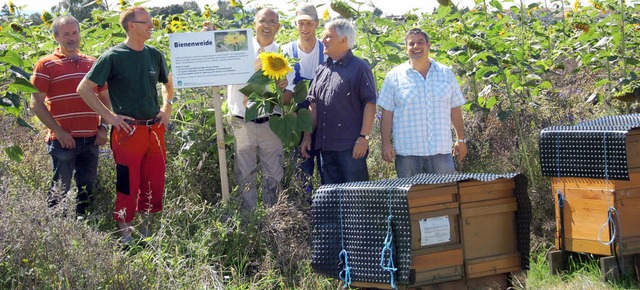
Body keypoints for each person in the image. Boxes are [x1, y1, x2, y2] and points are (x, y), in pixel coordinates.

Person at [77, 6, 173, 244]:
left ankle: (147, 233)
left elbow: (168, 84)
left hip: (155, 130)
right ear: (132, 26)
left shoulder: (155, 54)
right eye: (147, 22)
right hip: (127, 132)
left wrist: (167, 108)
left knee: (154, 183)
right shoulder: (113, 56)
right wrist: (110, 117)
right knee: (127, 184)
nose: (152, 26)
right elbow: (84, 89)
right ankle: (125, 236)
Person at [207, 8, 288, 211]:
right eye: (262, 21)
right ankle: (248, 223)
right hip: (242, 120)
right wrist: (209, 36)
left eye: (272, 22)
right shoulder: (238, 47)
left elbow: (289, 96)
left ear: (278, 27)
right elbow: (214, 55)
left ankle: (274, 221)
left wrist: (283, 87)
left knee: (274, 174)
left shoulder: (284, 54)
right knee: (245, 174)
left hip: (272, 123)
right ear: (254, 24)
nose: (267, 26)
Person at [30, 15, 111, 218]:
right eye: (66, 34)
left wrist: (103, 128)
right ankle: (55, 234)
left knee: (87, 189)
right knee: (59, 192)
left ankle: (84, 229)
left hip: (92, 139)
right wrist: (59, 131)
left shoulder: (92, 63)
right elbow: (36, 104)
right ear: (56, 36)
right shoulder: (45, 64)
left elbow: (105, 99)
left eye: (75, 32)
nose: (72, 37)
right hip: (63, 141)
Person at [378, 28, 467, 178]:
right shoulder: (394, 77)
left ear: (428, 45)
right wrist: (386, 144)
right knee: (412, 199)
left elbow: (454, 109)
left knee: (445, 197)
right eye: (411, 44)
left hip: (441, 152)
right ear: (406, 49)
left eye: (420, 42)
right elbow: (387, 113)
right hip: (408, 155)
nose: (416, 47)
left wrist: (461, 139)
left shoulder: (445, 74)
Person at [300, 19, 377, 185]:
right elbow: (313, 107)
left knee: (357, 197)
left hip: (350, 148)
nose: (323, 40)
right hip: (325, 147)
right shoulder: (322, 69)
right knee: (332, 199)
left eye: (328, 36)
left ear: (344, 40)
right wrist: (307, 136)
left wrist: (364, 137)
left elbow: (370, 104)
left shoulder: (359, 67)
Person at [281, 3, 327, 192]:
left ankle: (328, 209)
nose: (305, 28)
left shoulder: (327, 50)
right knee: (303, 171)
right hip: (298, 118)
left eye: (309, 23)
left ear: (317, 24)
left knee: (327, 170)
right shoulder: (287, 51)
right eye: (301, 23)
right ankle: (305, 211)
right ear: (296, 25)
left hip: (326, 118)